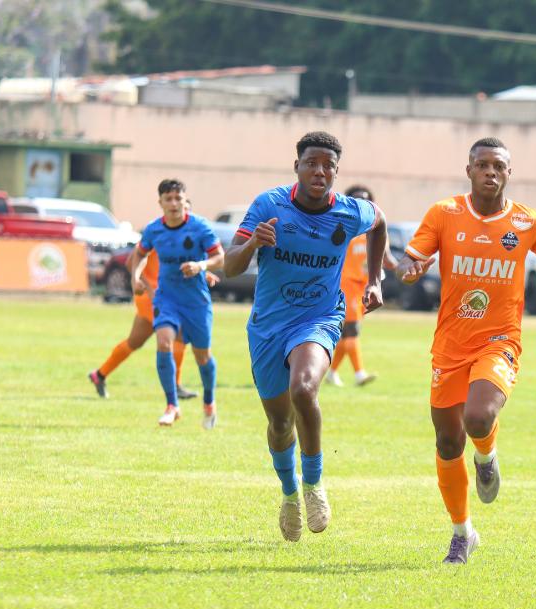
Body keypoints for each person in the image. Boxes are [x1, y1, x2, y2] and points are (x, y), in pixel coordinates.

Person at [396, 137, 536, 564]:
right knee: (448, 442)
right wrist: (409, 270)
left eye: (499, 166)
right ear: (468, 170)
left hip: (499, 341)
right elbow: (408, 260)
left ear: (510, 173)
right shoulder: (444, 213)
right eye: (483, 165)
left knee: (477, 416)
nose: (491, 172)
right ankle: (462, 532)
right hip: (450, 345)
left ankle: (487, 456)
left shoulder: (528, 222)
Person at [224, 131, 387, 542]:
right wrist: (253, 245)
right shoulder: (269, 205)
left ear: (336, 171)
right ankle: (290, 493)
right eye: (311, 163)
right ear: (296, 166)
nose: (320, 171)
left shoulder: (351, 212)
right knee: (280, 424)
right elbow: (229, 266)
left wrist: (375, 278)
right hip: (268, 325)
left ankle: (314, 485)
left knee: (304, 387)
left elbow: (379, 221)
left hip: (318, 319)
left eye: (328, 165)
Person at [127, 179, 225, 428]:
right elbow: (140, 253)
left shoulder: (200, 227)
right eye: (168, 199)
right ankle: (172, 405)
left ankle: (209, 402)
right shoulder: (153, 230)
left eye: (178, 199)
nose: (173, 204)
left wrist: (200, 266)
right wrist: (135, 277)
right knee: (163, 342)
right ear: (160, 203)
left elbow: (220, 257)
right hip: (167, 298)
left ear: (185, 201)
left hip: (196, 302)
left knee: (202, 356)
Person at [88, 235, 220, 401]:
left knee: (134, 342)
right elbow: (131, 262)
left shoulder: (180, 236)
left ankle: (99, 375)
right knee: (180, 334)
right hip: (153, 298)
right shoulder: (157, 234)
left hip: (163, 297)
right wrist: (150, 290)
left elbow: (175, 267)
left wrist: (202, 274)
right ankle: (176, 386)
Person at [324, 185, 397, 387]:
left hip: (364, 289)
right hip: (344, 286)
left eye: (366, 199)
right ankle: (359, 374)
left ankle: (332, 373)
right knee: (351, 330)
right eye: (357, 199)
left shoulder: (376, 229)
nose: (362, 203)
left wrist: (404, 268)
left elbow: (388, 259)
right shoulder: (343, 228)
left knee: (345, 335)